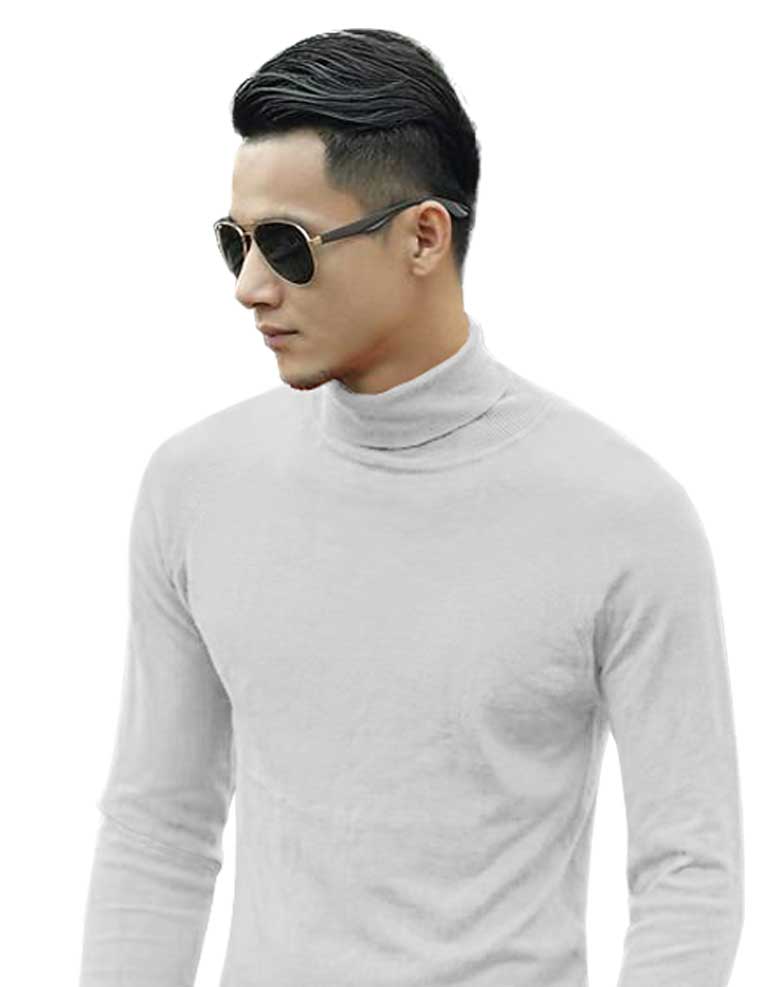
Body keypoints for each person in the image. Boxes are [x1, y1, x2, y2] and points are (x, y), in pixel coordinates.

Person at [77, 27, 743, 987]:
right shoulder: (196, 484)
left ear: (423, 236)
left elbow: (688, 865)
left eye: (286, 246)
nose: (249, 287)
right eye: (234, 242)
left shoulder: (622, 516)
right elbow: (159, 826)